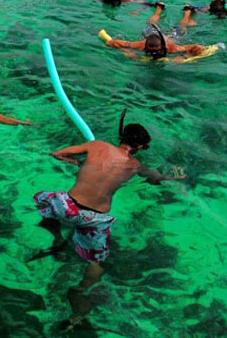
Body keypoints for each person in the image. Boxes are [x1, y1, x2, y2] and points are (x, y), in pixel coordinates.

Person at [32, 110, 186, 327]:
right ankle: (80, 292)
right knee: (96, 261)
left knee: (44, 200)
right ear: (140, 147)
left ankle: (57, 237)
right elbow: (156, 179)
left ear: (121, 137)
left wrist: (78, 165)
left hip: (68, 208)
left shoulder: (96, 145)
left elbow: (57, 153)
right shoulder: (135, 166)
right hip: (94, 219)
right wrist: (177, 176)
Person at [103, 3, 212, 62]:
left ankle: (187, 11)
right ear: (145, 45)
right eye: (151, 51)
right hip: (152, 33)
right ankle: (159, 8)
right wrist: (127, 51)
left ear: (163, 47)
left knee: (181, 27)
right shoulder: (139, 45)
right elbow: (111, 42)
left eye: (157, 51)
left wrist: (184, 56)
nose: (155, 54)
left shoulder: (172, 48)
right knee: (150, 25)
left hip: (170, 37)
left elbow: (200, 48)